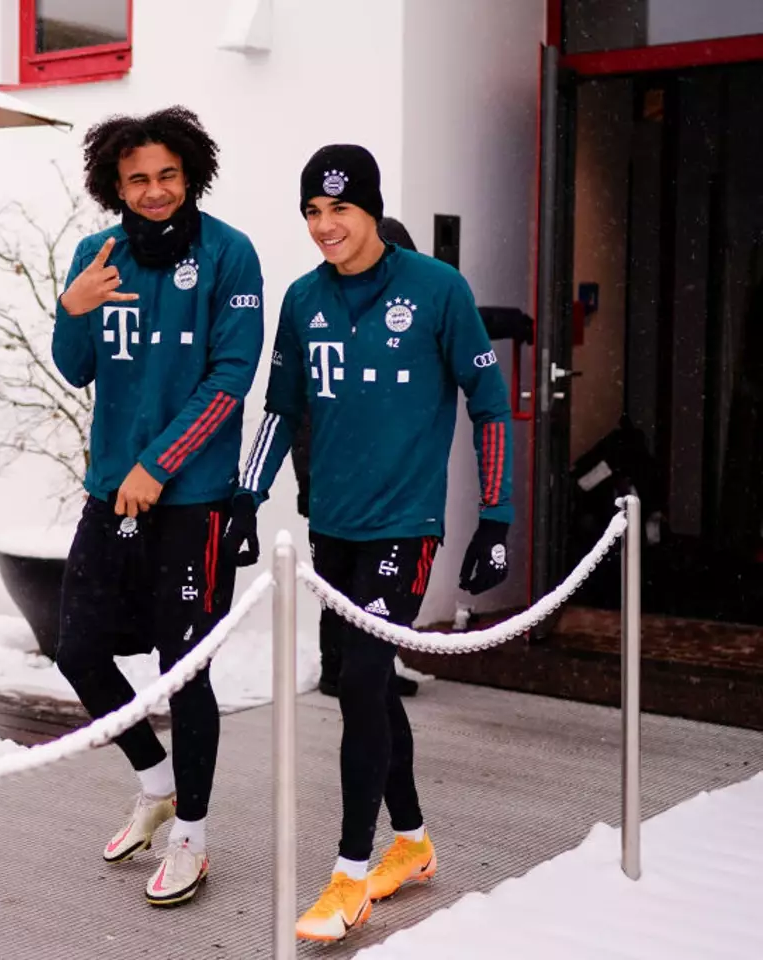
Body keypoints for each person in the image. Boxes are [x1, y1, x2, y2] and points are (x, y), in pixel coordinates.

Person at [225, 145, 512, 941]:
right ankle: (413, 842)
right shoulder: (302, 299)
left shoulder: (437, 291)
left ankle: (350, 875)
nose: (325, 226)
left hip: (405, 527)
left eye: (339, 211)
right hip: (336, 531)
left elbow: (489, 405)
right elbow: (281, 409)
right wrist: (246, 501)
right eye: (313, 212)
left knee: (360, 683)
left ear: (373, 210)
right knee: (367, 686)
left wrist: (496, 517)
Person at [50, 106, 265, 907]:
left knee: (185, 672)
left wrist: (159, 465)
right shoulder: (95, 254)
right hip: (112, 493)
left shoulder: (229, 255)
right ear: (114, 183)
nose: (153, 190)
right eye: (137, 178)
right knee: (77, 649)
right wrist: (73, 310)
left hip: (192, 502)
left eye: (167, 175)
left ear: (190, 174)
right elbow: (76, 369)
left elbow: (230, 379)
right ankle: (156, 782)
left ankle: (193, 837)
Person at [296, 215, 422, 698]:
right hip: (333, 484)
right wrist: (310, 481)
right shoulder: (322, 314)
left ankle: (368, 670)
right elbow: (303, 413)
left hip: (382, 488)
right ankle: (341, 670)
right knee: (339, 587)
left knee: (363, 588)